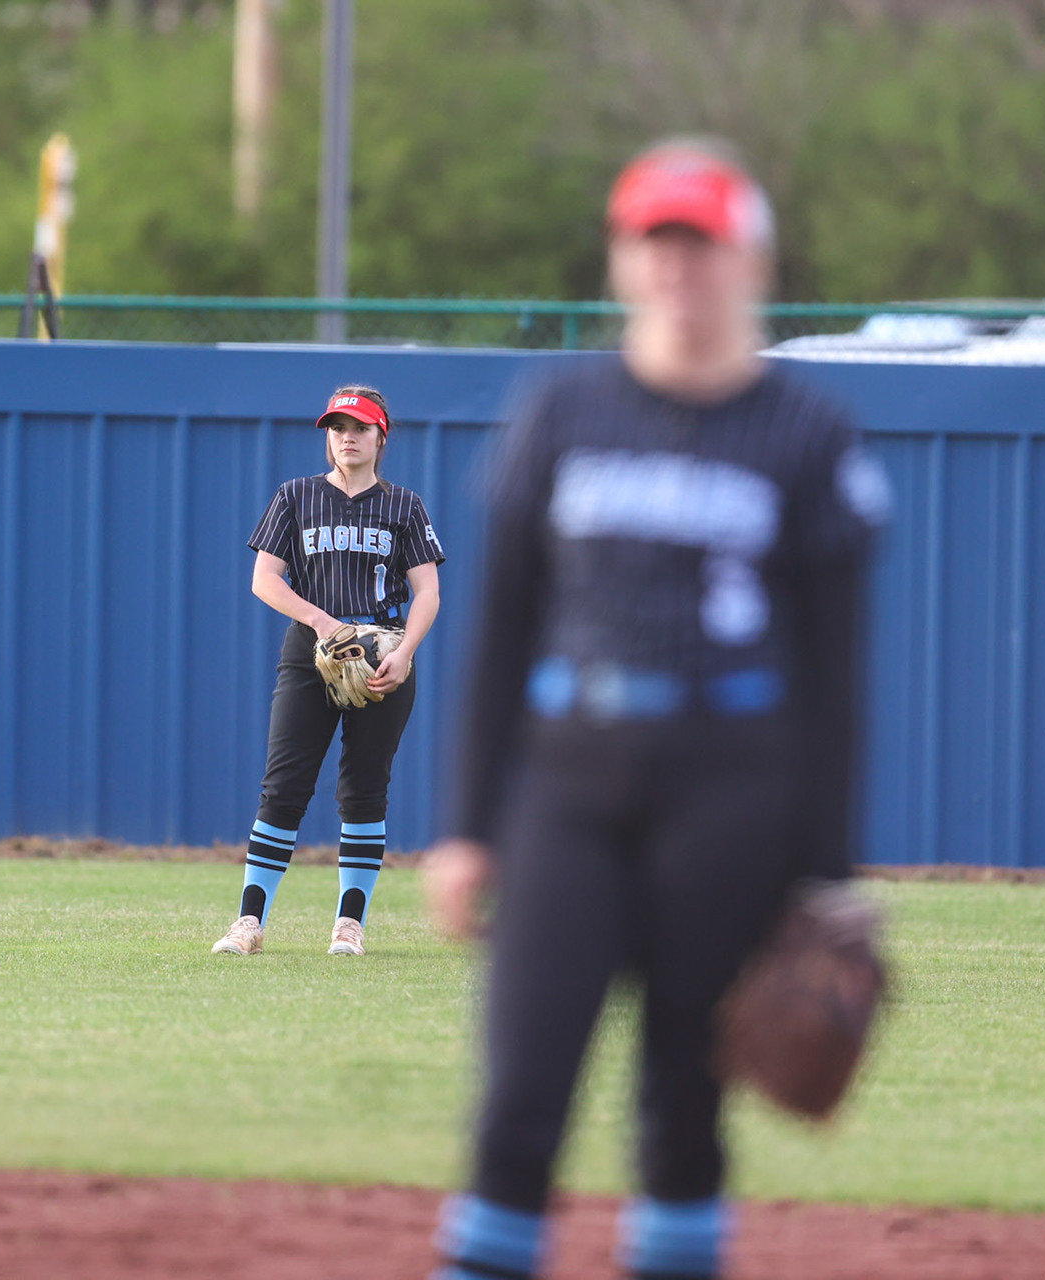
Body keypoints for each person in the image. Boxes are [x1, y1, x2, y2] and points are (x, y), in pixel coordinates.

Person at [424, 139, 889, 1280]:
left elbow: (838, 677)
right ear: (625, 262)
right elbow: (502, 635)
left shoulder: (807, 435)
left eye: (704, 244)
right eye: (657, 242)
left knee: (684, 1098)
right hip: (571, 777)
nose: (681, 268)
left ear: (752, 262)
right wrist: (470, 823)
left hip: (733, 784)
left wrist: (828, 865)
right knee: (523, 1089)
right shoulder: (563, 414)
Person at [212, 385, 444, 958]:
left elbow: (428, 591)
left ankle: (349, 924)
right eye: (337, 427)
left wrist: (406, 651)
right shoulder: (296, 496)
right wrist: (321, 621)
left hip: (382, 651)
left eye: (359, 427)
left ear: (380, 436)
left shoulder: (404, 506)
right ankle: (249, 922)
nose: (347, 436)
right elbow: (264, 580)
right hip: (312, 651)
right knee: (284, 784)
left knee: (365, 789)